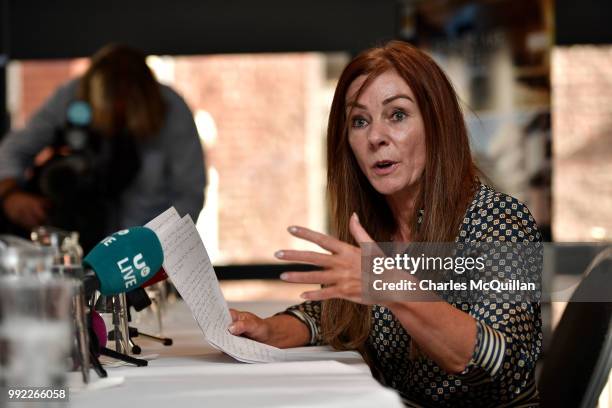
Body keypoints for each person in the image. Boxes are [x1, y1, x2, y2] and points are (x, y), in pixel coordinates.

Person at [227, 41, 542, 407]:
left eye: (397, 115)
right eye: (359, 121)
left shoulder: (500, 221)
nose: (376, 137)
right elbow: (333, 317)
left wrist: (390, 284)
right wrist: (269, 331)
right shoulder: (376, 226)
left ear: (436, 123)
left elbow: (500, 364)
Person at [0, 45, 206, 250]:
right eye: (108, 108)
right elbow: (13, 150)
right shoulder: (72, 96)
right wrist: (10, 194)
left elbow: (189, 194)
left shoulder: (171, 109)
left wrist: (158, 250)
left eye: (125, 107)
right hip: (75, 241)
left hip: (145, 248)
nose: (117, 111)